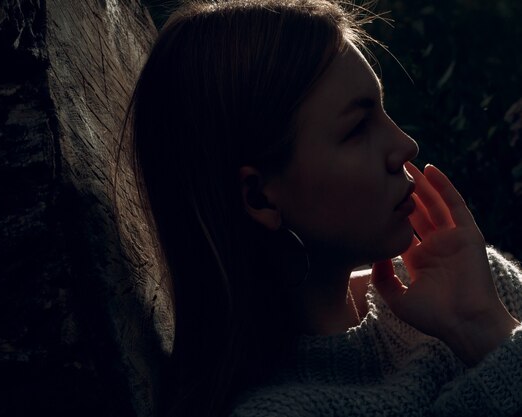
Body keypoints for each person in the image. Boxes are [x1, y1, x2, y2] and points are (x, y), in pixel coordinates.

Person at [123, 0, 522, 416]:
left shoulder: (456, 282)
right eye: (356, 129)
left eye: (383, 111)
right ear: (260, 197)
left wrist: (484, 324)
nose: (405, 145)